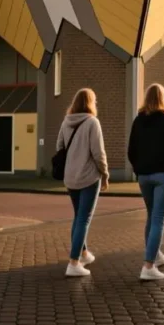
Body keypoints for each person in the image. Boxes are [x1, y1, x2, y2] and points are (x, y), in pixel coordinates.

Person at [127, 83, 164, 281]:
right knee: (158, 219)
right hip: (163, 176)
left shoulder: (138, 120)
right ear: (163, 98)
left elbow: (131, 151)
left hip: (144, 177)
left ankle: (156, 254)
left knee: (151, 216)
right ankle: (148, 266)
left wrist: (138, 169)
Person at [56, 88, 109, 277]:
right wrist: (105, 173)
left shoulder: (66, 122)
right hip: (88, 178)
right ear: (90, 102)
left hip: (70, 178)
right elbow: (98, 153)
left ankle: (84, 253)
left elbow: (59, 147)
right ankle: (73, 263)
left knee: (78, 216)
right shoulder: (92, 122)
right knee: (84, 219)